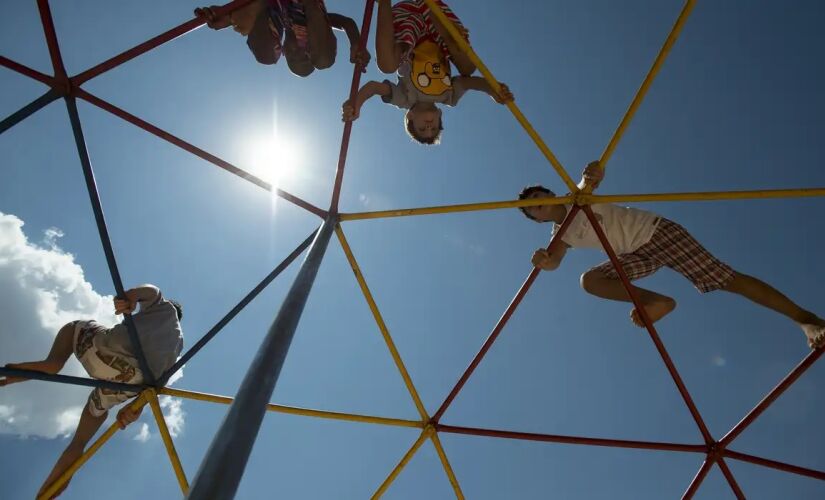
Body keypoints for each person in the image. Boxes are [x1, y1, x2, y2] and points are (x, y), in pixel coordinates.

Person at [518, 161, 825, 349]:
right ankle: (656, 301)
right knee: (591, 280)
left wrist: (592, 174)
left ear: (550, 194)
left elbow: (589, 182)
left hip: (656, 234)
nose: (536, 204)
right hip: (638, 253)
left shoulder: (576, 198)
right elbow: (554, 259)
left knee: (725, 279)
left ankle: (805, 319)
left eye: (537, 197)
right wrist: (544, 262)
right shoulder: (560, 235)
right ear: (539, 220)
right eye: (531, 210)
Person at [1, 284, 183, 498]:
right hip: (127, 381)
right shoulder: (177, 347)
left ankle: (34, 366)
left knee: (66, 343)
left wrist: (130, 297)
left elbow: (151, 291)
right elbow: (155, 387)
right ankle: (47, 492)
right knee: (83, 434)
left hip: (100, 348)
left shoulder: (164, 308)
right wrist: (134, 410)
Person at [341, 0, 513, 145]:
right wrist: (493, 90)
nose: (429, 126)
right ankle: (451, 36)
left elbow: (373, 87)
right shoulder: (449, 97)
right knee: (468, 69)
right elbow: (472, 82)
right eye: (435, 127)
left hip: (408, 30)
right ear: (439, 115)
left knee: (387, 66)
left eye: (422, 128)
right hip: (437, 31)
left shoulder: (404, 99)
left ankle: (384, 3)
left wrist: (357, 102)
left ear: (410, 117)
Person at [195, 0, 370, 76]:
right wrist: (356, 43)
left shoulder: (281, 22)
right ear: (309, 49)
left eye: (292, 58)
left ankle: (233, 15)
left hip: (273, 6)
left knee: (266, 57)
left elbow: (263, 45)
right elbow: (346, 22)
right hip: (307, 10)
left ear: (284, 51)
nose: (297, 52)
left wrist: (232, 16)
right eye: (304, 55)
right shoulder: (309, 29)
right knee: (324, 61)